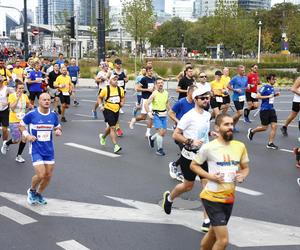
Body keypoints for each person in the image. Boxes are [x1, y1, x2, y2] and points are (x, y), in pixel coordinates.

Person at [190, 113, 250, 250]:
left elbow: (245, 168)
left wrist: (242, 176)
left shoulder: (239, 146)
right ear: (217, 128)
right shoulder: (208, 147)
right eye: (226, 124)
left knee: (212, 233)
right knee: (223, 241)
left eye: (231, 124)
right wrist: (210, 177)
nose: (230, 127)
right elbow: (193, 165)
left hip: (229, 198)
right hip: (211, 197)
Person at [162, 86, 212, 232]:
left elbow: (203, 132)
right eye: (203, 98)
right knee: (187, 186)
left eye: (208, 98)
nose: (206, 100)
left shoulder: (207, 115)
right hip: (189, 157)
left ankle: (206, 220)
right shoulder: (188, 116)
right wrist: (190, 141)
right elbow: (176, 134)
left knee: (207, 187)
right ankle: (169, 198)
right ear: (195, 99)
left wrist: (211, 135)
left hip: (203, 157)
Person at [19, 93, 62, 205]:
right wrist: (27, 135)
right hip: (36, 148)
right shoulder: (32, 114)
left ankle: (38, 194)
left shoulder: (53, 115)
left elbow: (57, 126)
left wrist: (58, 131)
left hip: (49, 150)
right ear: (39, 101)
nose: (47, 101)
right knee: (41, 174)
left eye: (48, 100)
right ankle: (32, 190)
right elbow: (21, 124)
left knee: (48, 175)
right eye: (44, 100)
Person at [168, 85, 196, 181]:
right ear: (189, 92)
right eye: (195, 93)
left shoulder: (196, 103)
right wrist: (178, 121)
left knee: (188, 153)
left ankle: (174, 165)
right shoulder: (181, 102)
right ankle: (181, 172)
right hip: (179, 133)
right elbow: (170, 113)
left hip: (191, 133)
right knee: (186, 153)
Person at [247, 74, 280, 150]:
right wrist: (268, 96)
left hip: (271, 109)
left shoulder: (272, 87)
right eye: (273, 79)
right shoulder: (265, 87)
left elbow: (270, 97)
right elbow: (257, 96)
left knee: (274, 126)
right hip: (264, 110)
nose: (275, 81)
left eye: (275, 79)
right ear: (269, 80)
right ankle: (252, 131)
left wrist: (275, 95)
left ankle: (270, 143)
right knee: (264, 128)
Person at [3, 81, 31, 162]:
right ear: (16, 89)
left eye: (22, 88)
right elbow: (11, 108)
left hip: (23, 120)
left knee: (24, 138)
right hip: (14, 120)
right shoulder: (12, 96)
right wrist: (18, 98)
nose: (21, 90)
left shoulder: (25, 96)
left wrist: (31, 106)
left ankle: (19, 156)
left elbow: (28, 105)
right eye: (19, 88)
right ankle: (7, 143)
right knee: (16, 140)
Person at [98, 74, 125, 153]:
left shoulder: (120, 89)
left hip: (116, 109)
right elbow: (99, 97)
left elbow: (123, 97)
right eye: (114, 79)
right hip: (108, 109)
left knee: (110, 126)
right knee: (113, 128)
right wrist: (100, 106)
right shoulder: (105, 89)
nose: (116, 81)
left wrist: (122, 103)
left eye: (117, 79)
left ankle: (103, 137)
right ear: (110, 81)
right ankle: (116, 146)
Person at [145, 78, 170, 156]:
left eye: (161, 83)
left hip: (164, 115)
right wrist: (149, 113)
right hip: (156, 115)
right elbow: (146, 104)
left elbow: (167, 103)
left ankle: (151, 138)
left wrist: (171, 111)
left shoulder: (166, 93)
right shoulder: (154, 93)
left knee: (163, 133)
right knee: (160, 132)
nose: (160, 84)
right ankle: (159, 149)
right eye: (158, 83)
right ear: (156, 85)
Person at [129, 66, 155, 137]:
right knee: (143, 117)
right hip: (145, 100)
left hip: (152, 100)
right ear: (146, 71)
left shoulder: (153, 78)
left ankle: (148, 132)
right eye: (149, 71)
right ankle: (134, 119)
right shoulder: (144, 79)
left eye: (152, 71)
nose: (151, 72)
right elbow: (137, 88)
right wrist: (147, 89)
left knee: (151, 116)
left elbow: (154, 87)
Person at [228, 65, 248, 132]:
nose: (243, 71)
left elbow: (245, 87)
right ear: (238, 71)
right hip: (236, 98)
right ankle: (228, 122)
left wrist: (248, 87)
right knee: (240, 112)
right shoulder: (235, 78)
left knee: (239, 114)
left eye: (244, 70)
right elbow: (228, 86)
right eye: (242, 70)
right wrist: (235, 90)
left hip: (242, 98)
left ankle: (233, 127)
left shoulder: (245, 78)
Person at [112, 58, 128, 136]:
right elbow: (109, 81)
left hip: (122, 91)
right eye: (118, 64)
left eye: (120, 64)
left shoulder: (123, 71)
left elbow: (127, 79)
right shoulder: (112, 72)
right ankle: (116, 128)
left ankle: (116, 127)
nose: (119, 65)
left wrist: (125, 79)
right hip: (114, 92)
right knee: (115, 112)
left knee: (117, 110)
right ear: (115, 64)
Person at [0, 75, 10, 154]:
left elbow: (14, 97)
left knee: (4, 129)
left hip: (4, 110)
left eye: (1, 81)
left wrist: (7, 102)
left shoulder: (7, 89)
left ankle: (4, 144)